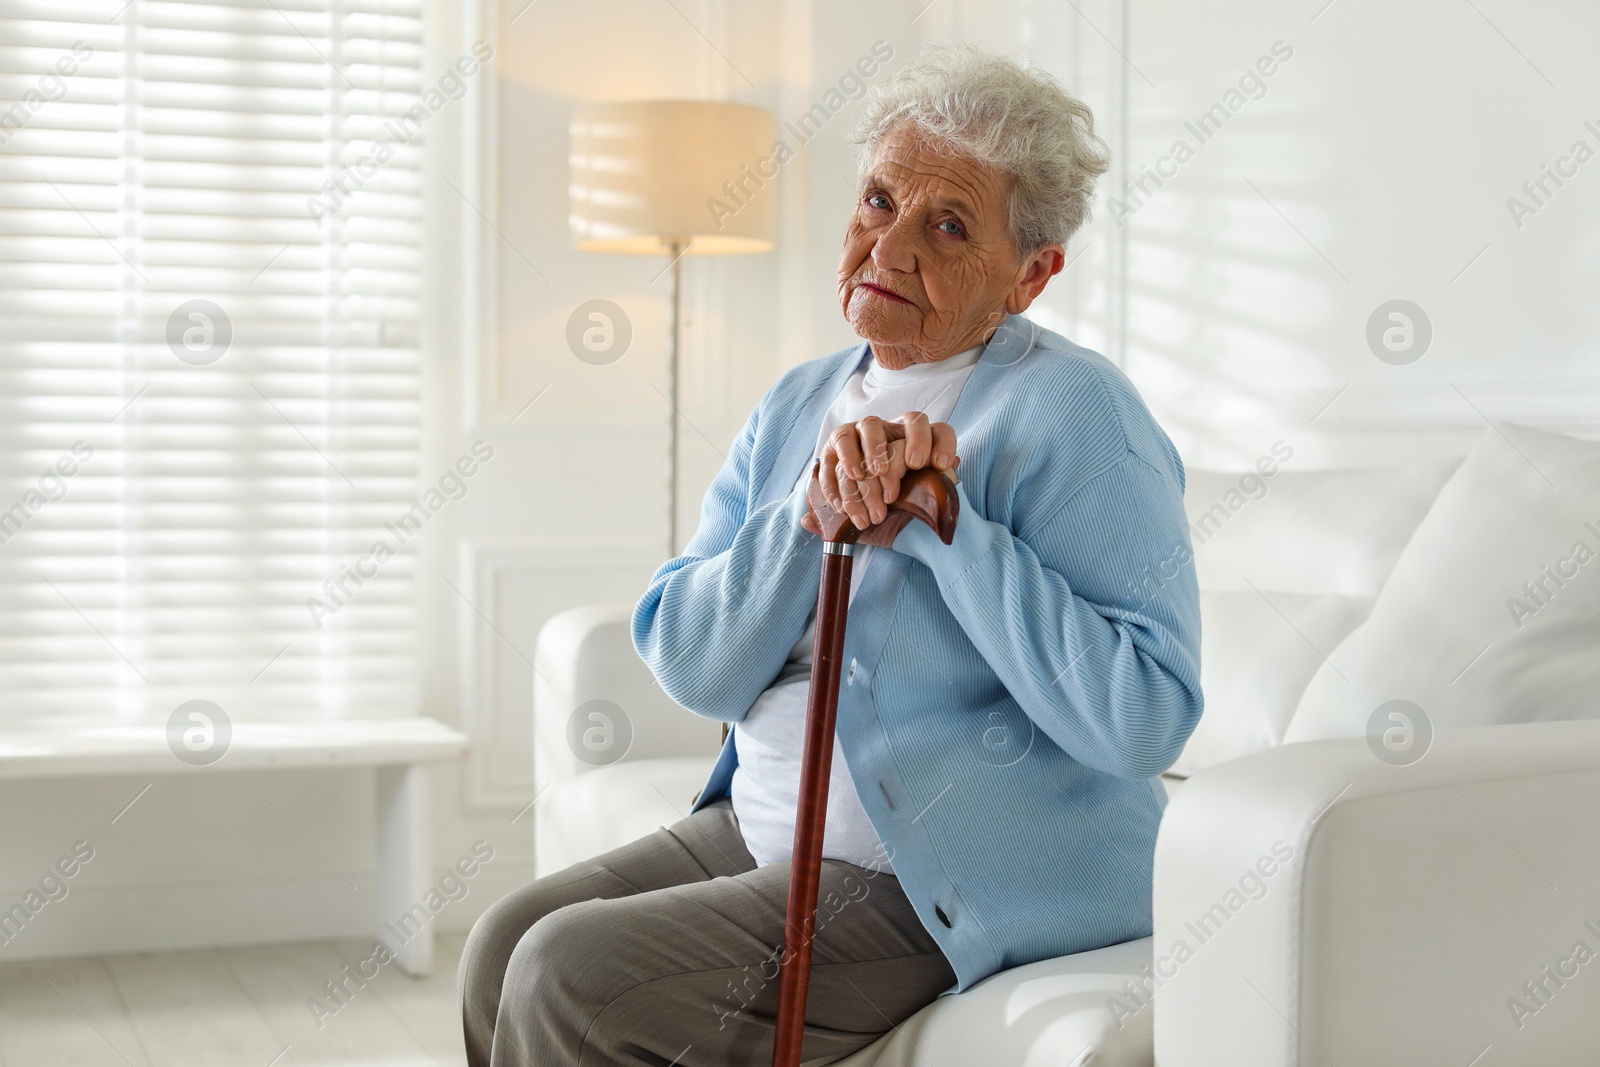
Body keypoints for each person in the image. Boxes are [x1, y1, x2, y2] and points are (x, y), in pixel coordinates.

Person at [460, 40, 1202, 1067]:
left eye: (946, 224)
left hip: (938, 871)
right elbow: (692, 660)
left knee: (566, 973)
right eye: (878, 199)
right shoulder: (800, 401)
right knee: (499, 945)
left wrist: (952, 532)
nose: (889, 247)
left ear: (1031, 274)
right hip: (765, 825)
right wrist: (811, 516)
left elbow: (1143, 715)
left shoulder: (1078, 413)